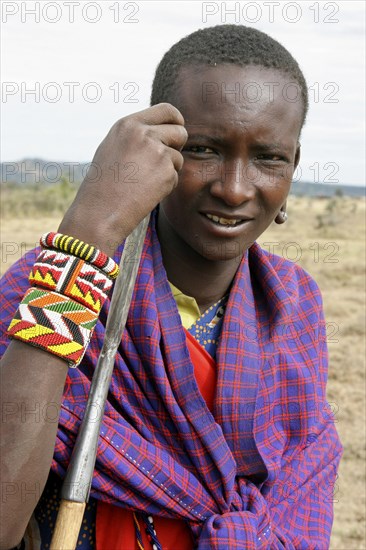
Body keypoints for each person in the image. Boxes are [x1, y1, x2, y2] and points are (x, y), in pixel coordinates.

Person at [0, 24, 342, 549]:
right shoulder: (50, 284)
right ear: (159, 152)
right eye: (204, 149)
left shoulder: (293, 303)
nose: (233, 188)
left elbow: (301, 492)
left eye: (268, 158)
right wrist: (88, 232)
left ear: (293, 167)